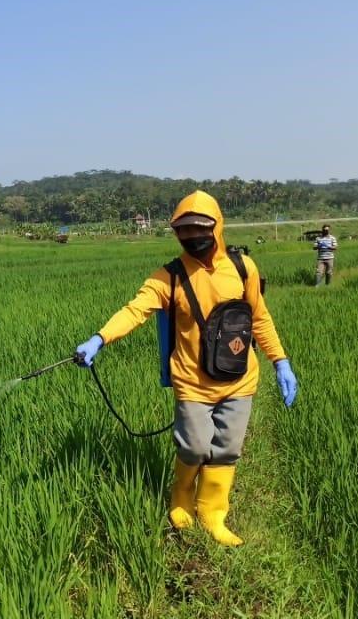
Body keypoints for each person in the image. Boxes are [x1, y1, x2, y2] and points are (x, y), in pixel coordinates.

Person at [72, 191, 299, 547]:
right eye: (185, 231)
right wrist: (100, 338)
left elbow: (259, 317)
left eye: (201, 229)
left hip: (240, 377)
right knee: (194, 447)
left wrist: (280, 361)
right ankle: (181, 495)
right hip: (192, 382)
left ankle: (213, 513)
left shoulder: (243, 268)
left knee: (226, 449)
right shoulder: (170, 277)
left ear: (217, 227)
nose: (194, 238)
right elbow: (135, 311)